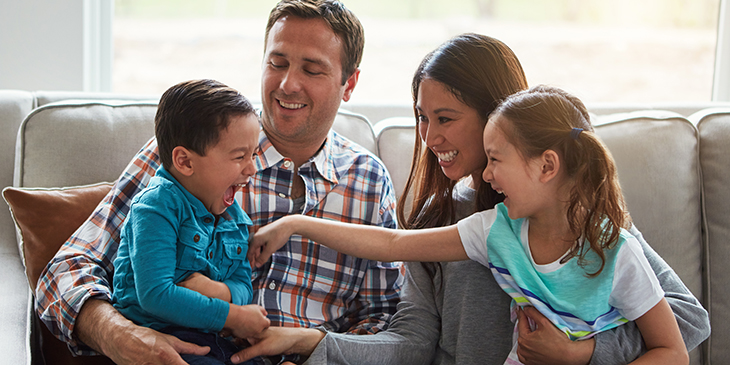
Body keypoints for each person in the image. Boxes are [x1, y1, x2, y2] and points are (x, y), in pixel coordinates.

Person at [233, 34, 709, 365]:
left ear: (496, 116)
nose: (429, 137)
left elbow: (686, 321)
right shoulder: (446, 219)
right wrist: (312, 341)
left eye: (446, 118)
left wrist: (582, 354)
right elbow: (411, 335)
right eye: (421, 117)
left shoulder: (577, 218)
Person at [35, 1, 403, 364]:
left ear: (349, 83)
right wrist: (117, 334)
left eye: (312, 70)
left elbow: (386, 318)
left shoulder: (368, 182)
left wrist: (316, 351)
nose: (289, 84)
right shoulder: (190, 154)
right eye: (277, 63)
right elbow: (65, 270)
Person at [111, 79, 270, 365]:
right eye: (239, 157)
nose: (252, 168)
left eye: (254, 155)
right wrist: (232, 316)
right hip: (163, 341)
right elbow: (155, 295)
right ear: (184, 162)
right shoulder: (156, 207)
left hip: (216, 341)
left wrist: (218, 291)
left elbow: (243, 282)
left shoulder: (234, 217)